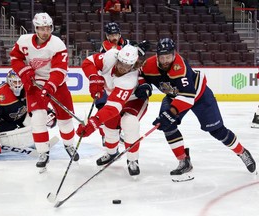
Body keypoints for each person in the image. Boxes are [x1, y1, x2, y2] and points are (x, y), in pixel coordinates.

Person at [136, 38, 256, 182]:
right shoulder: (149, 64)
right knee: (168, 126)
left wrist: (170, 113)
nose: (166, 60)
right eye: (163, 57)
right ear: (157, 56)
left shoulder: (179, 67)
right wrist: (144, 86)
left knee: (217, 130)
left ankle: (242, 152)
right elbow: (140, 74)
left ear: (174, 54)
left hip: (199, 96)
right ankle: (184, 161)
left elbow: (188, 97)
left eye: (169, 56)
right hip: (173, 96)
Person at [9, 12, 79, 171]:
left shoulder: (57, 44)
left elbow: (59, 70)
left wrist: (50, 86)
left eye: (48, 28)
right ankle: (43, 153)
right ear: (36, 28)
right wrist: (25, 71)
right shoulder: (24, 41)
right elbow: (15, 58)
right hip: (34, 82)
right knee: (37, 119)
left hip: (57, 84)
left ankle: (69, 145)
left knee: (65, 118)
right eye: (42, 28)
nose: (45, 32)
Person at [77, 45, 149, 176]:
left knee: (129, 122)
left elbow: (112, 108)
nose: (122, 67)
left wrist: (94, 122)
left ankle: (133, 159)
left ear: (133, 65)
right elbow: (88, 62)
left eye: (127, 66)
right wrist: (94, 77)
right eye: (121, 63)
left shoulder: (129, 79)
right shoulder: (110, 56)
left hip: (135, 100)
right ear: (117, 58)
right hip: (114, 99)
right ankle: (111, 153)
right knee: (109, 124)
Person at [0, 70, 57, 158]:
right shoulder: (1, 95)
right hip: (3, 120)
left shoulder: (28, 89)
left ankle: (36, 141)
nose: (17, 85)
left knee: (40, 118)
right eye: (14, 82)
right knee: (4, 127)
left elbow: (37, 106)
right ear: (9, 82)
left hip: (19, 117)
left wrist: (47, 114)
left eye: (20, 81)